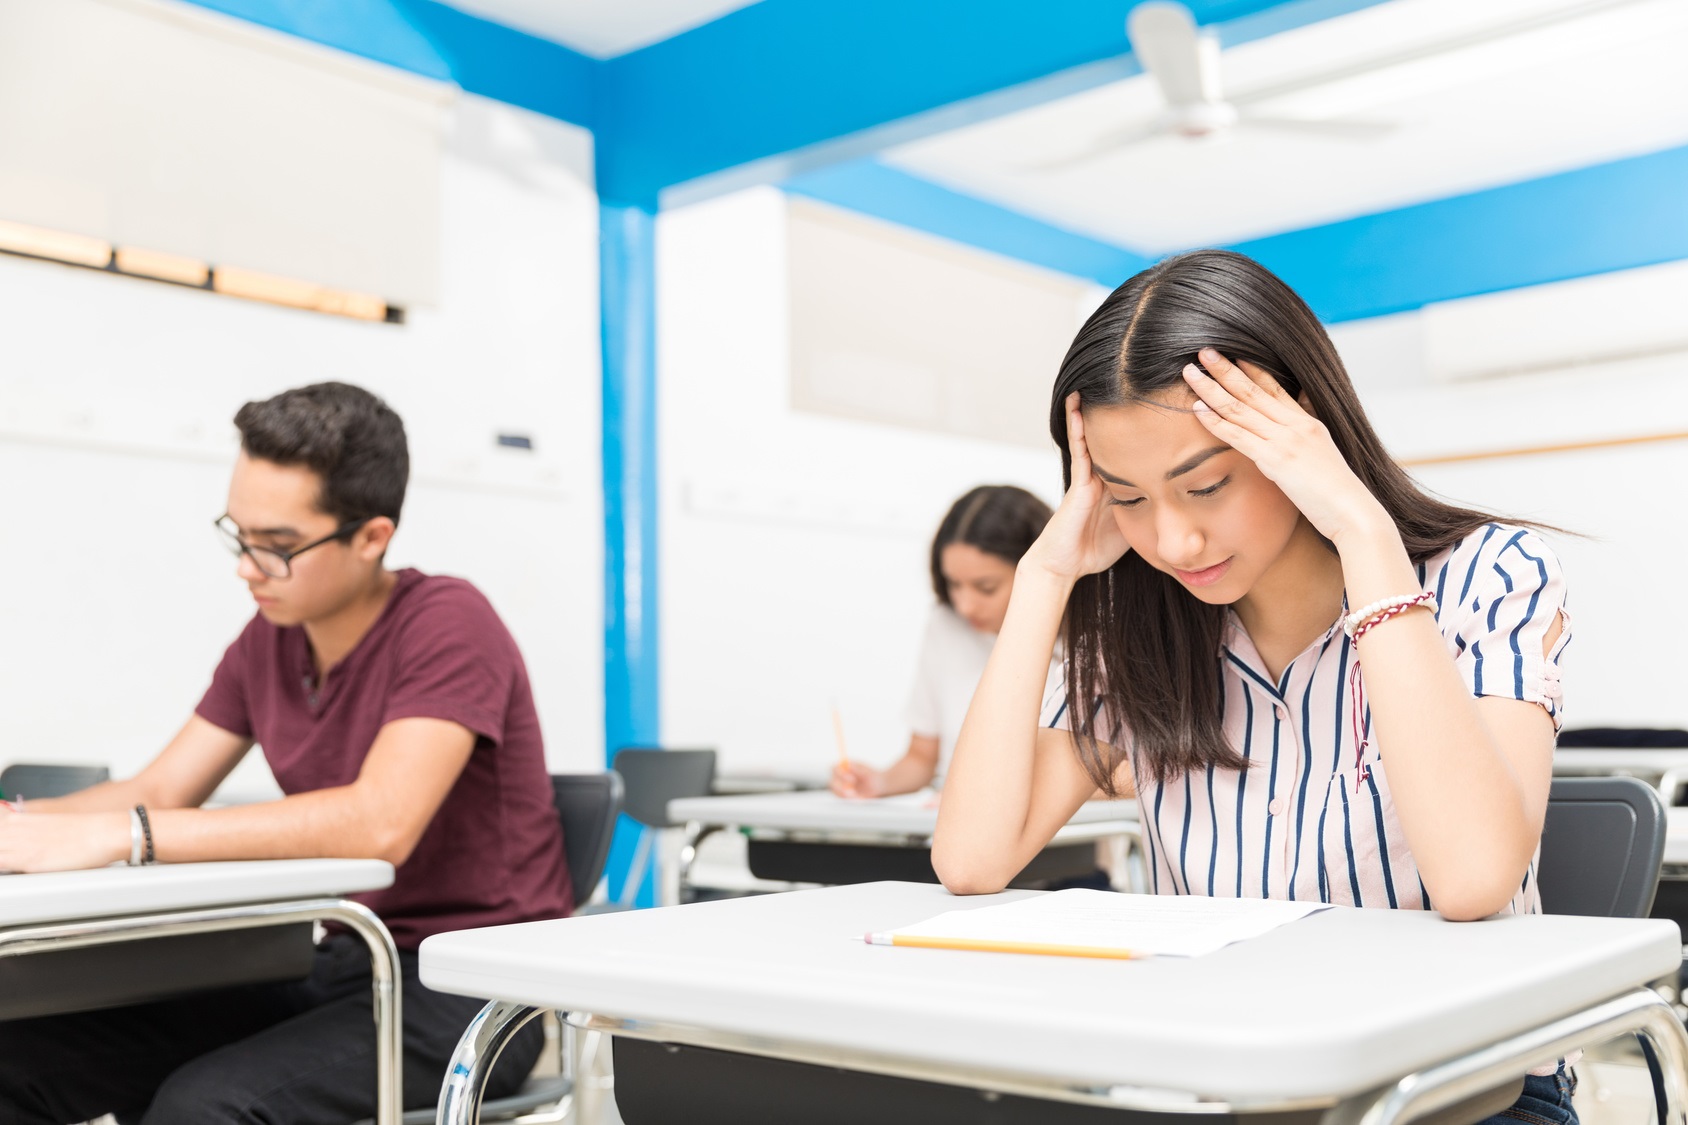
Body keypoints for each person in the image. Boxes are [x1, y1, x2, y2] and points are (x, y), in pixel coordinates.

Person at [933, 250, 1575, 1122]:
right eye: (1126, 497)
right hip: (1222, 1079)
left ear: (1298, 429)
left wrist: (1360, 528)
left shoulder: (1488, 575)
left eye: (1206, 484)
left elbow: (1473, 878)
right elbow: (972, 860)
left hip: (1457, 1084)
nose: (1175, 539)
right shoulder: (1143, 631)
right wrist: (1047, 574)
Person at [0, 383, 568, 1124]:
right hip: (344, 960)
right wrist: (24, 825)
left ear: (371, 537)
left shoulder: (450, 623)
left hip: (469, 989)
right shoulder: (268, 641)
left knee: (204, 1108)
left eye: (277, 545)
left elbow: (380, 821)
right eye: (238, 535)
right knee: (17, 1063)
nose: (247, 567)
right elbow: (163, 785)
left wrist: (125, 834)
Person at [831, 485, 1057, 799]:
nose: (965, 605)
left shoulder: (1090, 640)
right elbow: (922, 758)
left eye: (986, 587)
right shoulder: (946, 625)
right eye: (954, 584)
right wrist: (879, 783)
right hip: (961, 829)